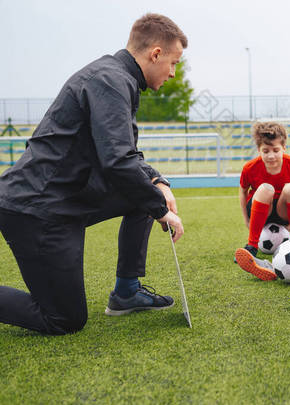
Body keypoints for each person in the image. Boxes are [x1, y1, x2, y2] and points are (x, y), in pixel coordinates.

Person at [0, 13, 187, 335]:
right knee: (64, 319)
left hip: (67, 199)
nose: (172, 73)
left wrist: (157, 182)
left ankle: (126, 292)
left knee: (141, 193)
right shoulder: (110, 81)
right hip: (37, 208)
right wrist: (160, 210)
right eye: (174, 63)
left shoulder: (117, 79)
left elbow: (123, 153)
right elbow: (117, 161)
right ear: (156, 53)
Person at [234, 122, 290, 280]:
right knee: (265, 188)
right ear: (259, 150)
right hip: (260, 207)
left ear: (284, 147)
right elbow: (242, 192)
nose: (271, 155)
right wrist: (246, 219)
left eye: (276, 150)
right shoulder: (250, 168)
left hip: (282, 212)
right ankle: (252, 246)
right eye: (266, 151)